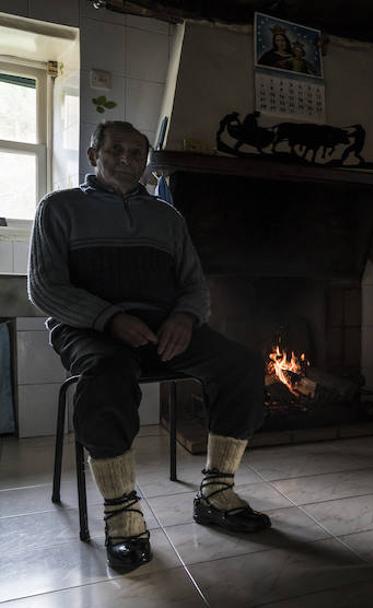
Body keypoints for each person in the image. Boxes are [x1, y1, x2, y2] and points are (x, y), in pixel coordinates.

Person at [28, 121, 271, 573]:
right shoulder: (58, 208)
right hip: (89, 329)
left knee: (239, 364)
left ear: (146, 161)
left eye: (136, 153)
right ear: (92, 154)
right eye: (115, 149)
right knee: (106, 375)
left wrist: (185, 316)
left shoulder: (168, 218)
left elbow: (195, 287)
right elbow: (45, 288)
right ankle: (122, 512)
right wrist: (109, 318)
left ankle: (216, 492)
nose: (126, 159)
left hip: (162, 327)